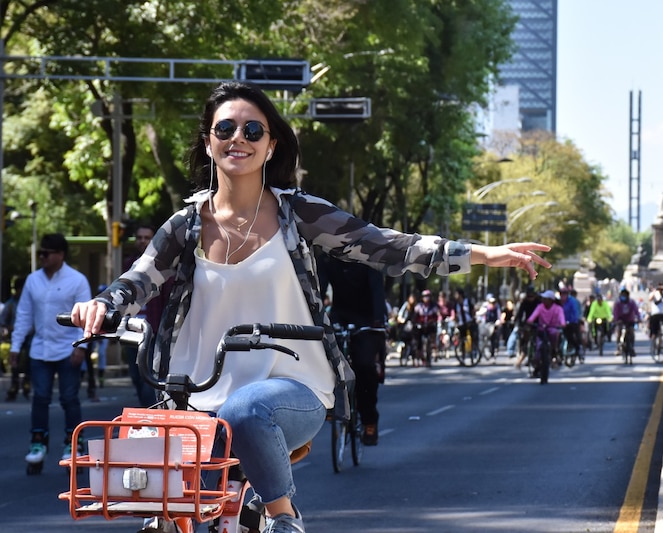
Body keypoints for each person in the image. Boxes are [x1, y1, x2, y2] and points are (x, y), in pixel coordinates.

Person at [69, 81, 552, 532]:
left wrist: (484, 254)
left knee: (246, 410)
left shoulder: (297, 214)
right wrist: (101, 304)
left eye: (253, 129)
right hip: (194, 399)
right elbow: (138, 279)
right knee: (154, 489)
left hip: (290, 391)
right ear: (209, 140)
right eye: (226, 129)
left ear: (271, 144)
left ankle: (284, 516)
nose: (239, 138)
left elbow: (385, 246)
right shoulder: (185, 225)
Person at [10, 233, 91, 465]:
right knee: (40, 398)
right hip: (40, 350)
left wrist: (81, 347)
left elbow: (85, 317)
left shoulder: (77, 280)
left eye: (46, 253)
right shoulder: (33, 280)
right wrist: (15, 347)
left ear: (60, 254)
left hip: (68, 350)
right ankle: (38, 441)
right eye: (40, 253)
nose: (42, 257)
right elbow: (24, 315)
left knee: (69, 398)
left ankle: (73, 442)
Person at [318, 254, 387, 446]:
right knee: (323, 356)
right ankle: (332, 403)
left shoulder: (367, 257)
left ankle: (369, 420)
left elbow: (377, 290)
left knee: (365, 366)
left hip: (368, 319)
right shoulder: (327, 259)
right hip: (340, 316)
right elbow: (319, 289)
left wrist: (379, 319)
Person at [122, 224, 168, 407]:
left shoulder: (162, 265)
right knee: (135, 376)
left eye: (147, 238)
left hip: (151, 332)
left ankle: (149, 416)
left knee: (147, 379)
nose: (142, 241)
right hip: (130, 330)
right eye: (139, 237)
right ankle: (147, 413)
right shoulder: (129, 264)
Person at [522, 290, 565, 377]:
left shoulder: (558, 308)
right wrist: (530, 321)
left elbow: (562, 318)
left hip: (553, 328)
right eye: (543, 299)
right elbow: (533, 316)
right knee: (538, 346)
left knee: (554, 335)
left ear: (551, 300)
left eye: (546, 299)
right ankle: (537, 362)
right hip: (541, 329)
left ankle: (554, 351)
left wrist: (562, 324)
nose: (544, 300)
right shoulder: (540, 307)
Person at [2, 276, 31, 401]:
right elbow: (3, 321)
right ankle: (14, 384)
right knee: (15, 361)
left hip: (30, 336)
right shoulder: (10, 304)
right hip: (16, 336)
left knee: (29, 360)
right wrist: (9, 328)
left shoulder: (30, 303)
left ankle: (26, 382)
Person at [413, 289, 440, 367]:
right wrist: (416, 322)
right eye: (425, 296)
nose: (426, 298)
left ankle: (430, 357)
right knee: (418, 342)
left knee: (431, 340)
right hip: (420, 326)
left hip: (430, 326)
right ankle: (417, 358)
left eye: (428, 296)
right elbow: (415, 317)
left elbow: (437, 315)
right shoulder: (419, 306)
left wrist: (433, 321)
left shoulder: (433, 306)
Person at [612, 289, 639, 357]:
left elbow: (636, 311)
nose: (623, 297)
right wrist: (616, 320)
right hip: (620, 320)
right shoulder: (618, 303)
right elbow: (615, 312)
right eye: (622, 295)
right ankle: (618, 348)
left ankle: (632, 347)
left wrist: (639, 318)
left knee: (631, 332)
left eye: (625, 295)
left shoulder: (631, 302)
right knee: (618, 332)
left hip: (630, 320)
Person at [562, 289, 582, 361]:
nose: (563, 295)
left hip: (572, 322)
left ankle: (578, 350)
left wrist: (575, 320)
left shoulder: (573, 302)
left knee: (574, 336)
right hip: (562, 322)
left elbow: (575, 312)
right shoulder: (559, 302)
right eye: (561, 294)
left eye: (564, 294)